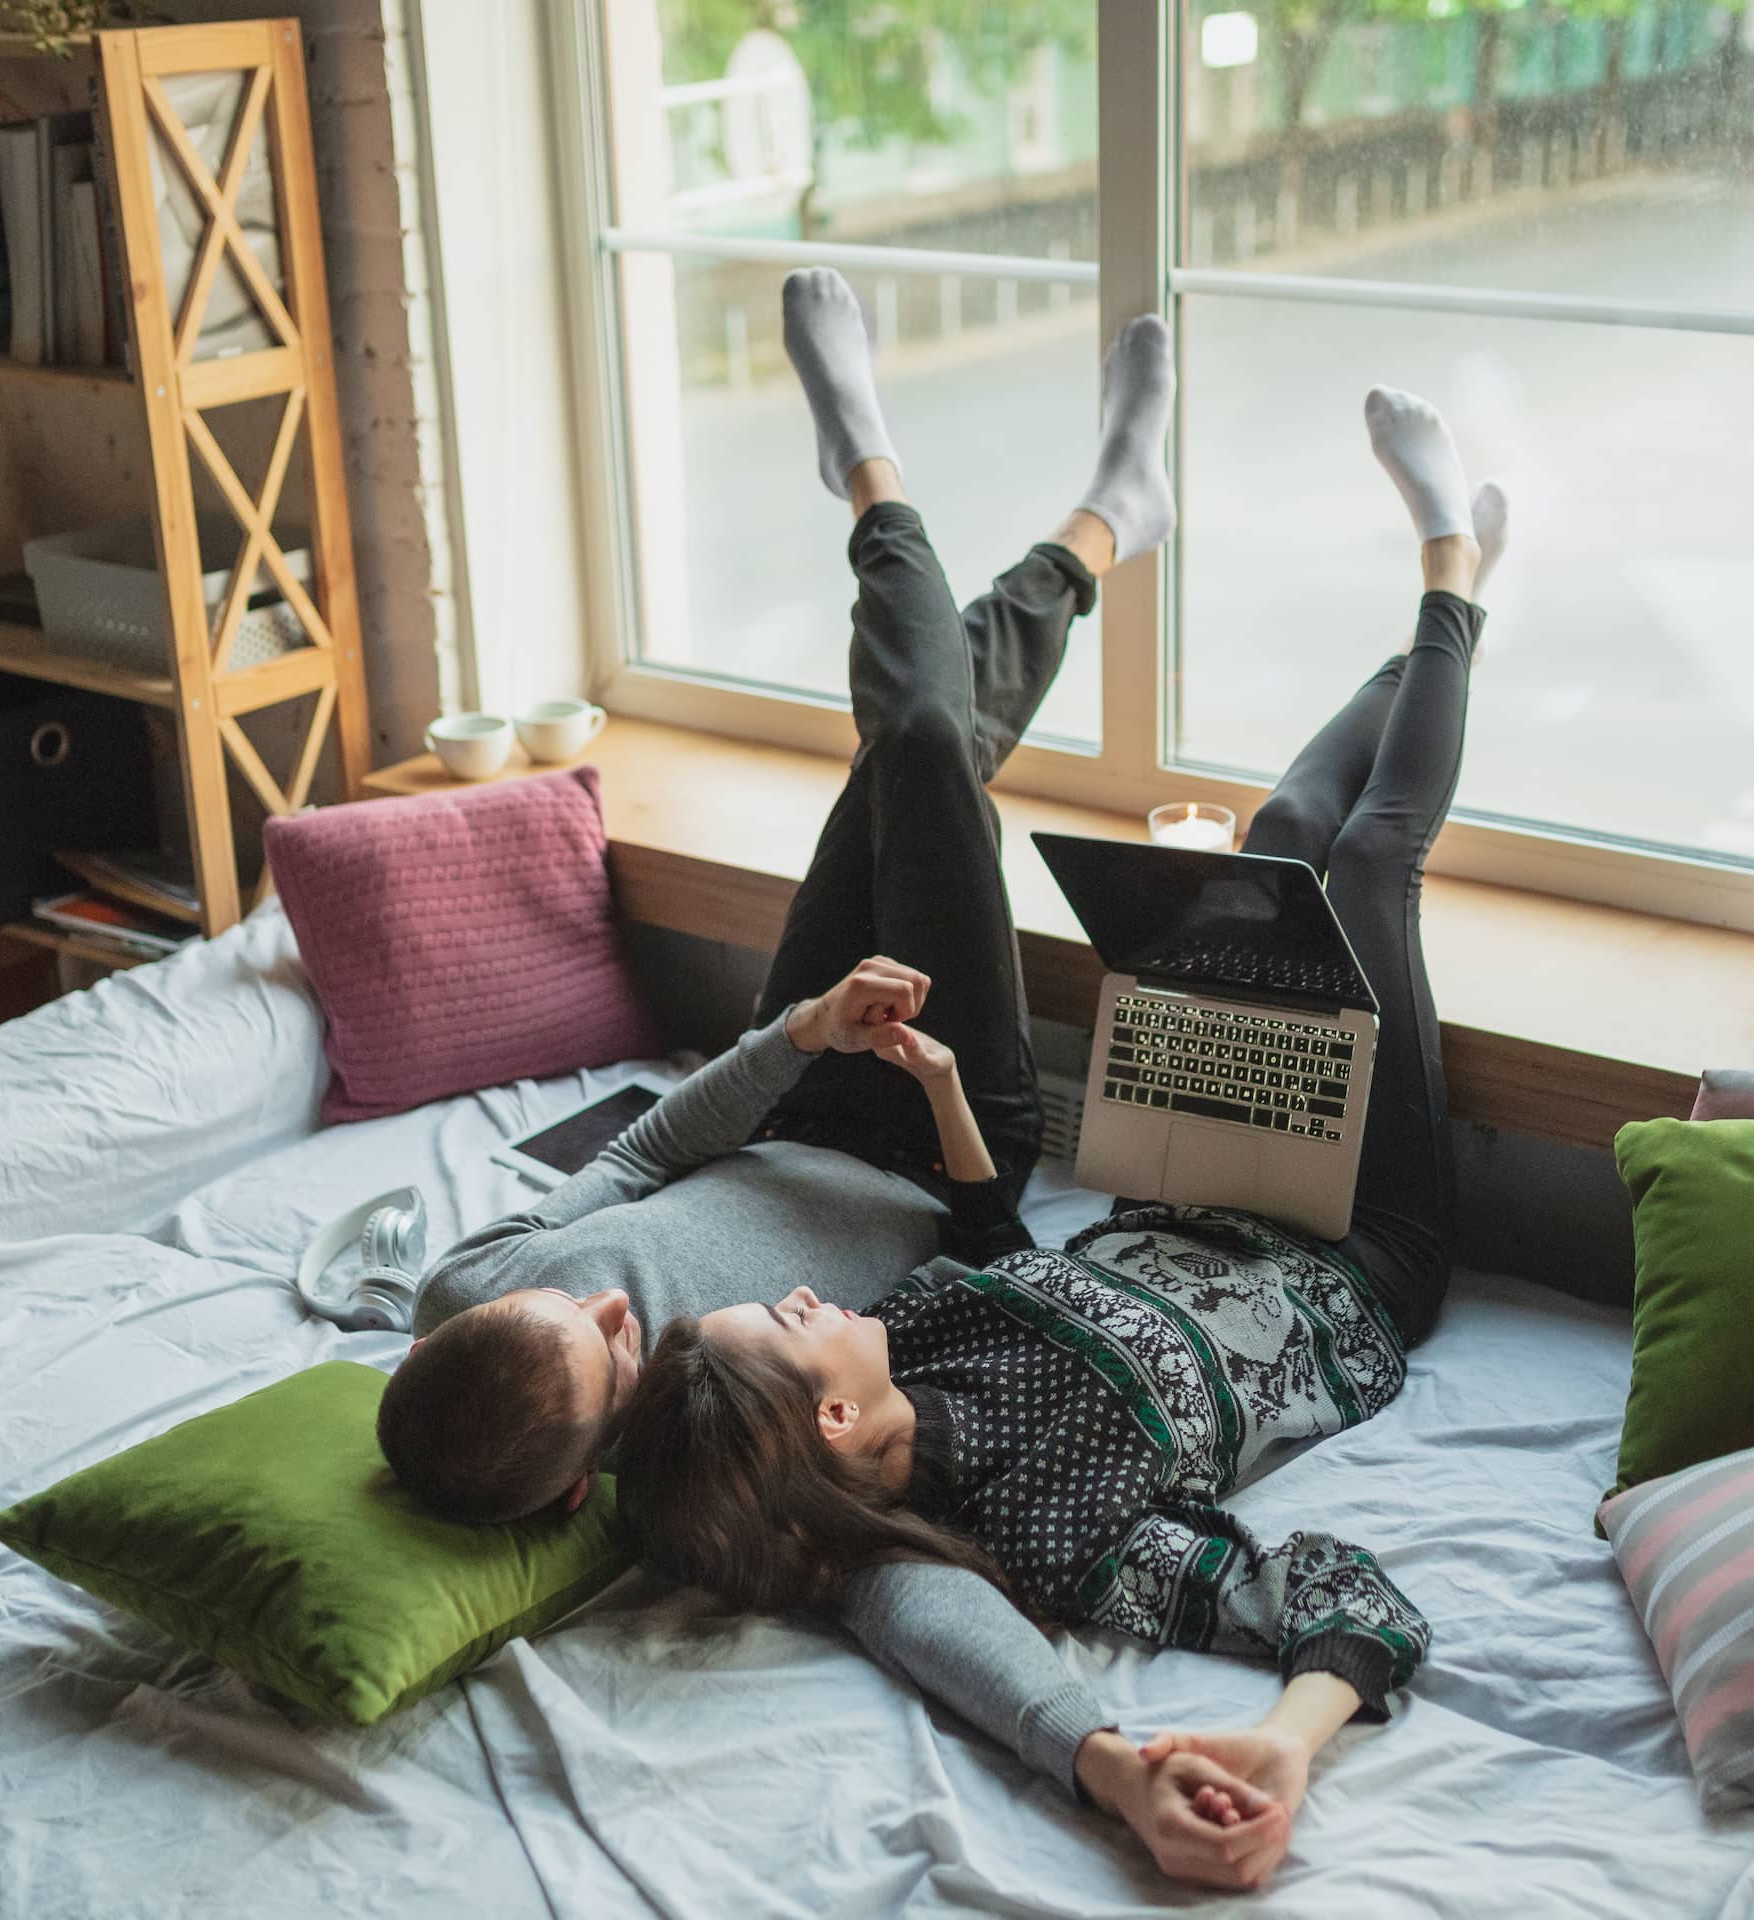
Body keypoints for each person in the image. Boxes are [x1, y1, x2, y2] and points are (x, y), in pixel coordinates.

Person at [379, 270, 1286, 1884]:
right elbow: (901, 1595)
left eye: (557, 1299)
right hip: (945, 1127)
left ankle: (1037, 510)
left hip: (797, 1064)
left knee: (911, 750)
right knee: (928, 751)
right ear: (598, 1468)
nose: (605, 1302)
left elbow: (653, 1156)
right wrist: (1100, 1755)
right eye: (608, 1347)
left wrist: (795, 1035)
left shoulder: (476, 1291)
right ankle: (943, 488)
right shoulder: (694, 1476)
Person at [608, 386, 1509, 1890]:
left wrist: (953, 1088)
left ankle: (1443, 613)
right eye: (786, 1322)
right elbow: (1339, 1594)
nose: (807, 1292)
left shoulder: (914, 1329)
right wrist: (1287, 1743)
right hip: (1361, 1260)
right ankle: (1453, 572)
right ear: (832, 1427)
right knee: (1369, 866)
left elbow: (987, 1237)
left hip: (1220, 1177)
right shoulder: (1049, 1541)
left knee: (1282, 839)